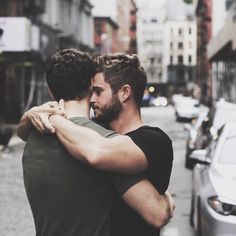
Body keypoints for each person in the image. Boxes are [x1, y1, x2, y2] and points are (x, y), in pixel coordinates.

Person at [18, 49, 174, 236]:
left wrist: (53, 118)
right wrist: (30, 116)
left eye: (98, 92)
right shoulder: (95, 132)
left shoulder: (150, 140)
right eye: (92, 91)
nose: (92, 99)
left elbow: (158, 214)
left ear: (125, 93)